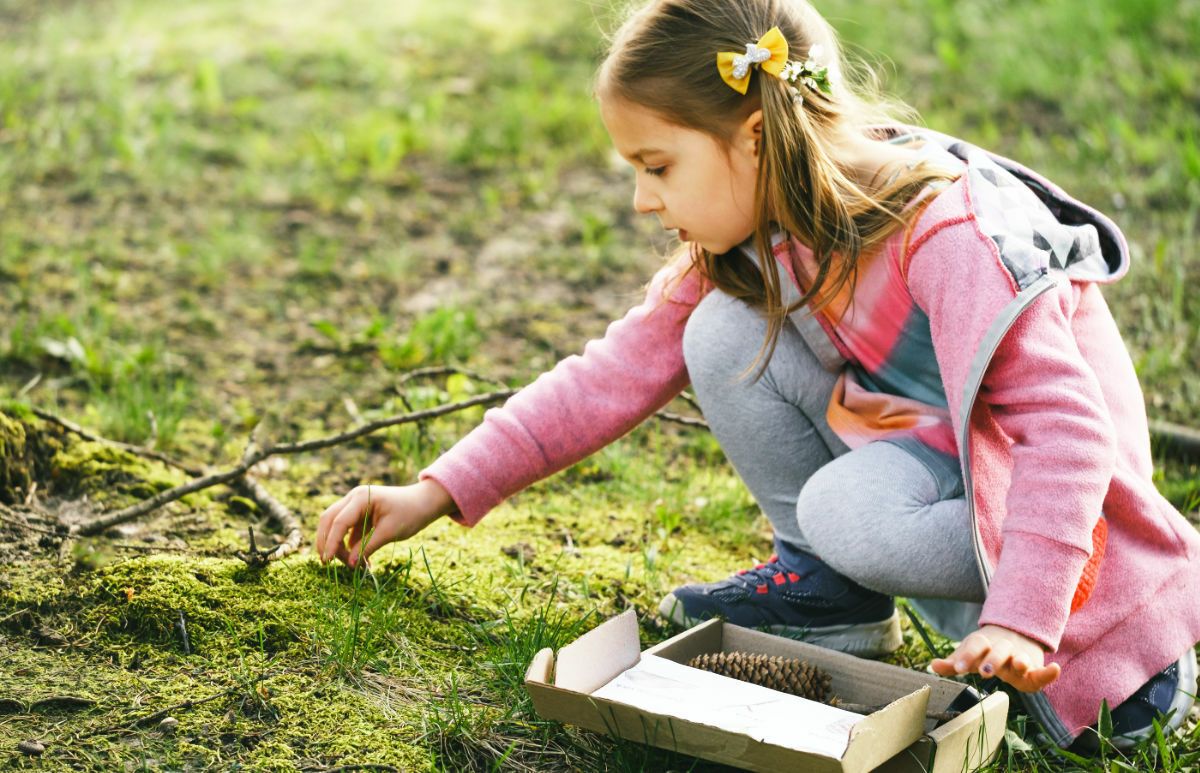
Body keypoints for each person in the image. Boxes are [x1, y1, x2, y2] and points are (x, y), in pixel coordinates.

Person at [314, 0, 1200, 754]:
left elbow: (1069, 434)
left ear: (751, 136)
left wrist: (1025, 619)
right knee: (722, 327)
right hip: (947, 467)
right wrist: (434, 492)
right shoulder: (764, 229)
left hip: (1085, 545)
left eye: (656, 166)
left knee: (845, 508)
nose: (641, 200)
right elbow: (608, 375)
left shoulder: (952, 232)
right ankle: (828, 595)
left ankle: (1068, 648)